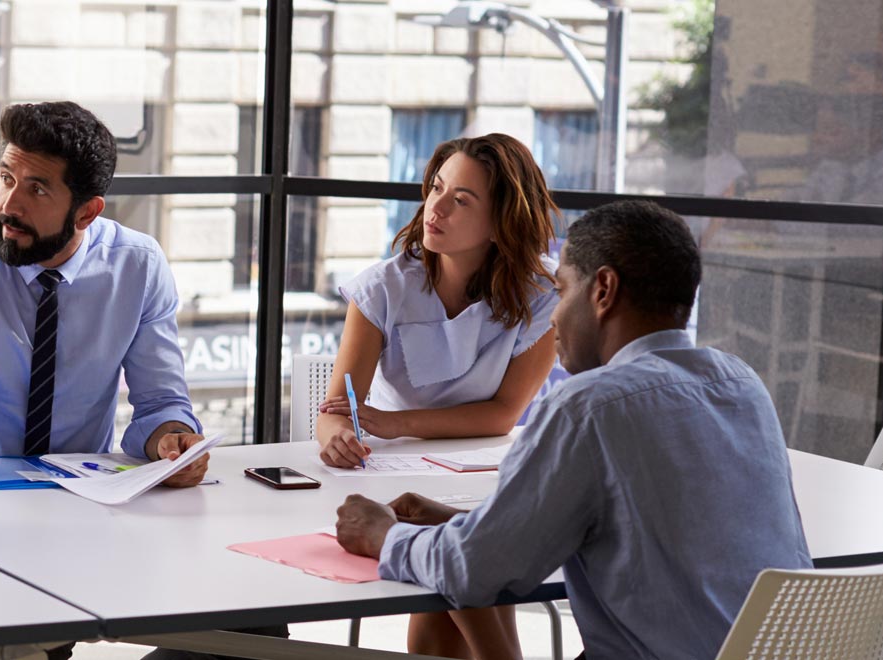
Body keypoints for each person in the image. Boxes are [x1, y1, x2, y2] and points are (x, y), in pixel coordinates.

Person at [334, 201, 813, 660]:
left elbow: (473, 571)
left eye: (562, 291)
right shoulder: (742, 384)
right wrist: (471, 521)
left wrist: (384, 534)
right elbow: (654, 524)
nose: (555, 316)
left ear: (602, 291)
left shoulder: (589, 406)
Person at [315, 134, 560, 660]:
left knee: (457, 571)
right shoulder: (383, 287)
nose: (436, 208)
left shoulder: (543, 299)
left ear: (501, 223)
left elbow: (502, 416)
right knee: (457, 582)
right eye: (436, 189)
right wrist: (339, 435)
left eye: (461, 200)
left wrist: (392, 422)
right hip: (394, 474)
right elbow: (339, 411)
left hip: (485, 469)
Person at [0, 101, 210, 487]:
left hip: (84, 499)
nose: (9, 206)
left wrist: (173, 445)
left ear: (86, 213)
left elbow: (161, 405)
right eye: (7, 178)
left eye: (37, 189)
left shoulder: (138, 267)